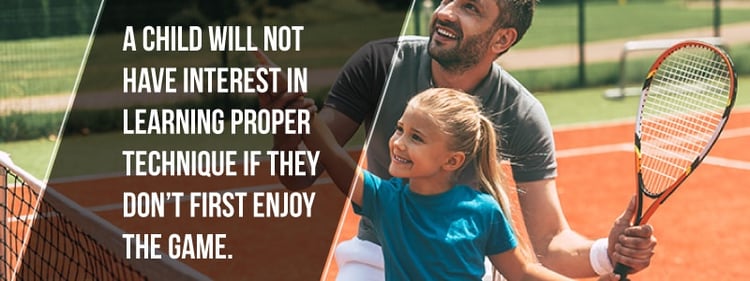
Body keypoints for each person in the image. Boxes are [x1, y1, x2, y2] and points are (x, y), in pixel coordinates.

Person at [260, 0, 656, 279]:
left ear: (501, 40)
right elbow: (300, 174)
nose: (445, 12)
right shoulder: (380, 63)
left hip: (461, 264)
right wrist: (286, 121)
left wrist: (608, 253)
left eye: (470, 7)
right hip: (376, 256)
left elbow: (548, 244)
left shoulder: (520, 114)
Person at [304, 87, 622, 281]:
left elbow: (522, 272)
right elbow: (333, 156)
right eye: (400, 129)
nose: (398, 143)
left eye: (416, 137)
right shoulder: (386, 199)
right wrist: (302, 116)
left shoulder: (482, 210)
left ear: (453, 161)